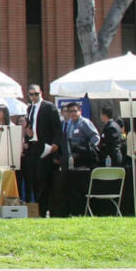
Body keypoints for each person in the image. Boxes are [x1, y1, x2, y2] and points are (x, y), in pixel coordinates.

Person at [27, 84, 67, 216]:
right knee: (33, 178)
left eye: (36, 94)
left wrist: (55, 144)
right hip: (33, 145)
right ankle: (38, 209)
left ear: (41, 93)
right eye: (31, 94)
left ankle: (44, 210)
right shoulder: (30, 108)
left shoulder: (49, 107)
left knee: (43, 179)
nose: (33, 97)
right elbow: (31, 125)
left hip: (46, 147)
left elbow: (57, 128)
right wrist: (28, 133)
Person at [62, 101, 100, 169]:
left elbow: (96, 137)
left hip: (85, 159)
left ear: (80, 111)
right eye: (70, 111)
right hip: (74, 159)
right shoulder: (70, 124)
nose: (73, 113)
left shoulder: (84, 122)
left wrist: (89, 149)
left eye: (75, 111)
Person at [96, 103, 124, 168]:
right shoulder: (115, 125)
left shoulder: (111, 127)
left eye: (101, 114)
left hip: (111, 158)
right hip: (113, 156)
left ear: (104, 115)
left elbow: (110, 144)